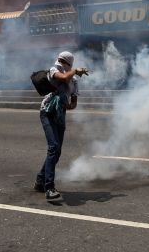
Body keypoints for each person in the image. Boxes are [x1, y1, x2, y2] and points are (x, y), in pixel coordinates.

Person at [36, 51, 89, 204]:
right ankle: (49, 188)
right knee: (53, 147)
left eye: (62, 60)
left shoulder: (75, 81)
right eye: (59, 60)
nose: (59, 62)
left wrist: (65, 104)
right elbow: (64, 77)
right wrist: (75, 71)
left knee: (57, 151)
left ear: (68, 63)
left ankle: (40, 180)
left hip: (60, 114)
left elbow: (74, 103)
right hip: (47, 112)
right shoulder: (54, 70)